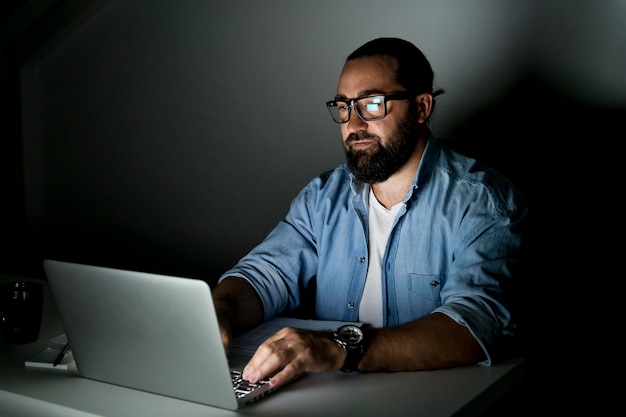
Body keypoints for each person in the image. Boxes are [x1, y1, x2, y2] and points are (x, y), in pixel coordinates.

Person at [212, 37, 530, 387]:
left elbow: (474, 322)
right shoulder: (323, 197)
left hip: (436, 400)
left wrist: (341, 348)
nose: (354, 124)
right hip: (334, 398)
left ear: (421, 108)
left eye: (372, 104)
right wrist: (220, 311)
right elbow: (262, 276)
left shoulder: (485, 203)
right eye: (344, 107)